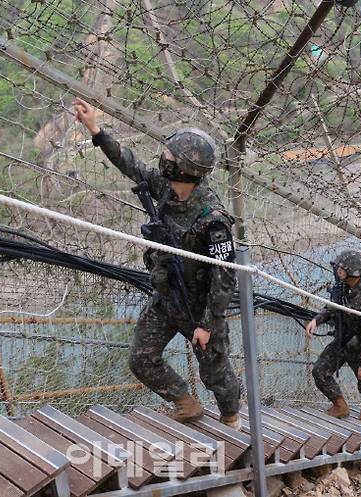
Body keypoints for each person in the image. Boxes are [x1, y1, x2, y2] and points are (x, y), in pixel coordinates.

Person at [73, 98, 241, 428]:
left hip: (200, 308)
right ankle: (185, 402)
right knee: (142, 359)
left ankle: (232, 421)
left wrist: (207, 324)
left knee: (215, 374)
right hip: (168, 297)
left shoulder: (213, 219)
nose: (164, 158)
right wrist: (95, 129)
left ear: (186, 168)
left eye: (170, 156)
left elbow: (225, 276)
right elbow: (131, 165)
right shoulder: (165, 187)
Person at [305, 249, 361, 422]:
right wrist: (316, 321)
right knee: (320, 372)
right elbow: (332, 308)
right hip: (342, 342)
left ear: (353, 272)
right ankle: (340, 405)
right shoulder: (343, 288)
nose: (338, 270)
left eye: (342, 268)